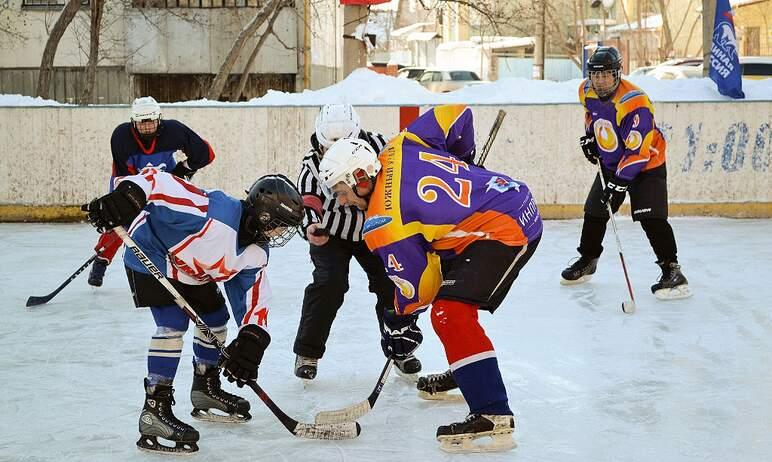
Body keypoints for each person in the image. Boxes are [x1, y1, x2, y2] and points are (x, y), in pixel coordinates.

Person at [318, 104, 543, 453]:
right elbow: (457, 114)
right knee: (454, 299)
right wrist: (464, 160)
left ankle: (492, 412)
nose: (343, 202)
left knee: (448, 312)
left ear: (362, 178)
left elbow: (421, 289)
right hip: (507, 199)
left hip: (505, 228)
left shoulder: (382, 224)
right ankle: (471, 371)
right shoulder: (400, 145)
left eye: (342, 191)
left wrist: (398, 321)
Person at [81, 167, 303, 454]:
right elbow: (156, 180)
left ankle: (204, 387)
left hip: (191, 270)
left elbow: (253, 298)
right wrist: (129, 197)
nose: (280, 233)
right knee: (173, 324)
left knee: (215, 319)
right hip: (151, 252)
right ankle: (154, 410)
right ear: (264, 215)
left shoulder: (256, 251)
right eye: (280, 225)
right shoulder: (212, 211)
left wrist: (251, 340)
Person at [293, 103, 422, 381]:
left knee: (392, 283)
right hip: (332, 234)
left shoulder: (379, 146)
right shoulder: (312, 165)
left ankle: (399, 348)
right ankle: (308, 351)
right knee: (330, 284)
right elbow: (309, 198)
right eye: (329, 147)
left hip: (375, 230)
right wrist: (312, 225)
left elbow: (401, 176)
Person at [560, 46, 691, 300]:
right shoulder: (586, 90)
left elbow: (639, 152)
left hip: (646, 164)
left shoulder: (635, 103)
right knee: (595, 211)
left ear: (618, 74)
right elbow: (592, 115)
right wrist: (591, 139)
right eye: (595, 75)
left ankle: (672, 270)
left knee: (650, 218)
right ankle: (588, 259)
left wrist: (619, 183)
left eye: (606, 75)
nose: (599, 81)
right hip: (613, 162)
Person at [87, 96, 216, 288]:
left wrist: (182, 170)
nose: (147, 127)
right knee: (119, 220)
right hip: (130, 182)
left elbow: (206, 153)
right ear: (133, 122)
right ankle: (102, 258)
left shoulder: (174, 131)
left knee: (174, 219)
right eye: (142, 123)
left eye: (151, 122)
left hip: (165, 183)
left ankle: (181, 265)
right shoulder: (121, 136)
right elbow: (123, 174)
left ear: (159, 119)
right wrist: (133, 199)